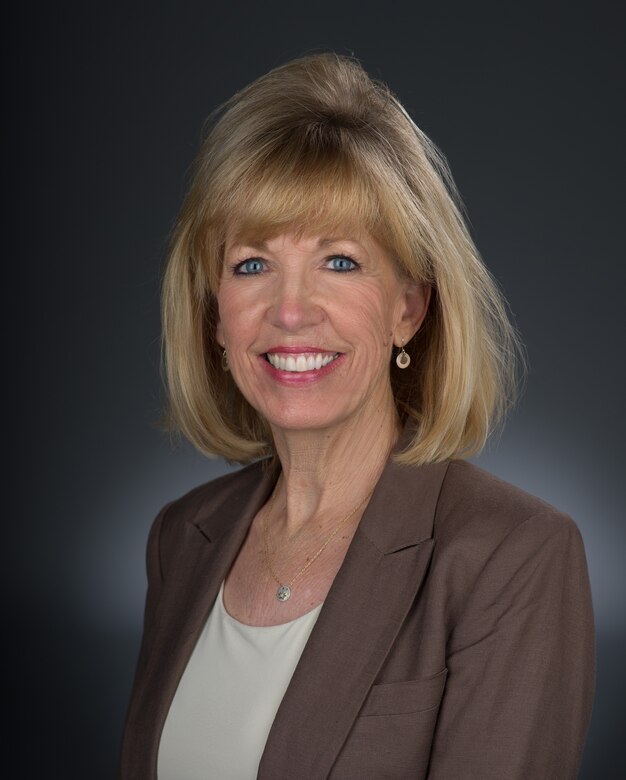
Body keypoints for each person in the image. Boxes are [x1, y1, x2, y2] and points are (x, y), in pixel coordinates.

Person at [120, 53, 595, 779]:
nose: (289, 309)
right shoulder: (180, 540)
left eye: (339, 261)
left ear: (410, 307)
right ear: (214, 316)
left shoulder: (513, 559)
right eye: (252, 264)